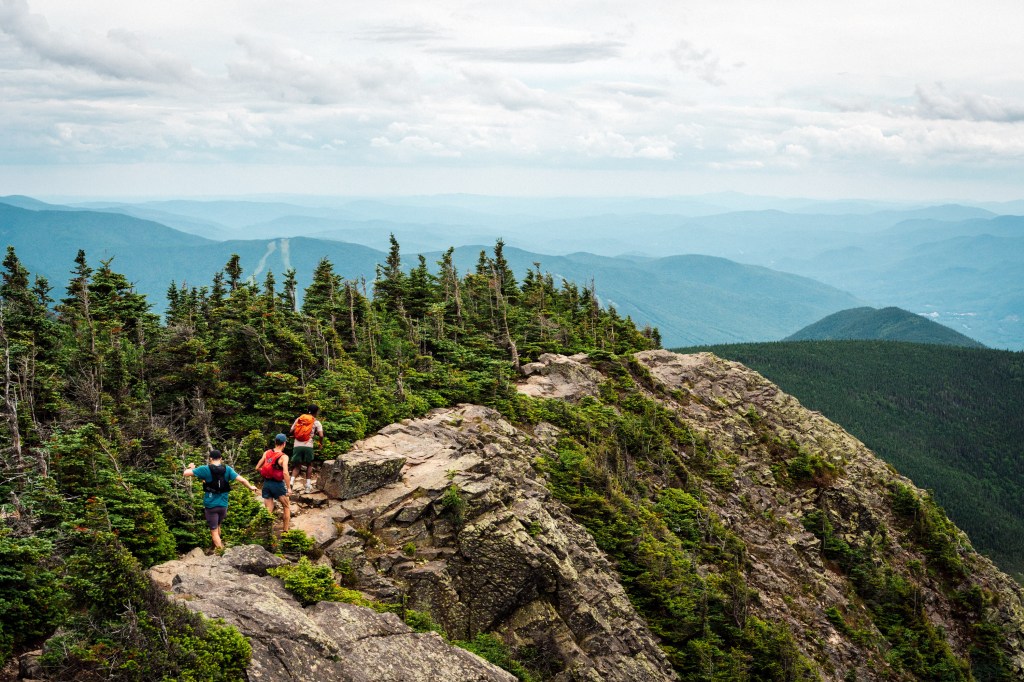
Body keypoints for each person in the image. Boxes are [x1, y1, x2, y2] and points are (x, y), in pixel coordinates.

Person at [184, 449, 257, 551]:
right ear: (221, 458)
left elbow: (186, 473)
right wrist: (251, 487)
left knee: (213, 531)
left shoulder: (205, 469)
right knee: (218, 526)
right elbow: (242, 480)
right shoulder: (227, 469)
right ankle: (214, 549)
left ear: (210, 459)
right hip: (223, 505)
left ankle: (221, 553)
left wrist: (191, 468)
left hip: (211, 505)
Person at [255, 433, 291, 532]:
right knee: (286, 506)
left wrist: (267, 472)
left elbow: (257, 467)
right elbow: (285, 473)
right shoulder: (284, 457)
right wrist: (289, 488)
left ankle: (267, 533)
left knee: (268, 509)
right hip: (278, 484)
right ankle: (286, 531)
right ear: (284, 443)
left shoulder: (267, 453)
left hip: (266, 484)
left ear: (275, 442)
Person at [289, 405, 324, 494]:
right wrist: (320, 443)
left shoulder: (299, 419)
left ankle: (291, 482)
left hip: (297, 445)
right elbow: (321, 435)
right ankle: (308, 485)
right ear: (316, 412)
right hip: (308, 445)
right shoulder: (316, 422)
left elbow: (291, 431)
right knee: (309, 465)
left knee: (297, 466)